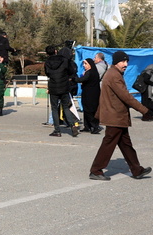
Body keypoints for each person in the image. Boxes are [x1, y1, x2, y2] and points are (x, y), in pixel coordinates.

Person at [89, 51, 152, 181]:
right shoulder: (113, 75)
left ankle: (136, 169)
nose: (125, 64)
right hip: (114, 116)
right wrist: (145, 110)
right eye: (122, 61)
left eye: (127, 61)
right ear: (115, 62)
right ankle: (96, 170)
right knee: (109, 143)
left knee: (126, 144)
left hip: (117, 116)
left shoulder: (115, 73)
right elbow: (126, 97)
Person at [44, 45, 80, 138]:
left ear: (47, 53)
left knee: (55, 109)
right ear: (56, 51)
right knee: (66, 107)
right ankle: (72, 125)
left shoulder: (47, 62)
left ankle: (57, 130)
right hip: (64, 86)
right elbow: (71, 71)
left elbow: (47, 73)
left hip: (53, 87)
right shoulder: (65, 60)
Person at [75, 58, 101, 133]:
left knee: (88, 110)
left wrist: (73, 78)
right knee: (88, 110)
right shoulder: (94, 72)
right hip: (92, 93)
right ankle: (87, 126)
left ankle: (94, 126)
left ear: (90, 65)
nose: (84, 65)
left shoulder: (89, 73)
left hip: (90, 94)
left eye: (86, 64)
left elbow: (81, 80)